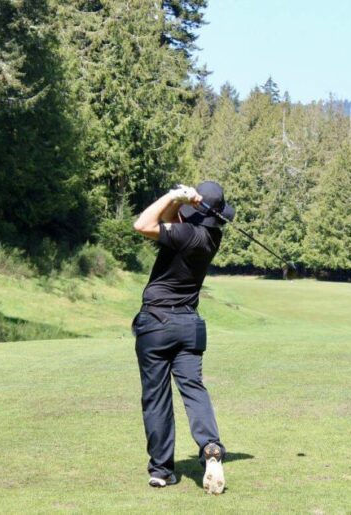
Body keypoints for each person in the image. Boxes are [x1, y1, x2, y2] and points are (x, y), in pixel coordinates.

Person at [131, 181, 235, 495]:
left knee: (156, 398)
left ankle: (162, 471)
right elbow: (175, 223)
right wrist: (181, 202)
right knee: (193, 389)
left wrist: (172, 195)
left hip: (156, 323)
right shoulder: (211, 237)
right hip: (189, 325)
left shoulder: (187, 235)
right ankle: (211, 447)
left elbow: (142, 224)